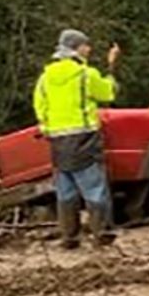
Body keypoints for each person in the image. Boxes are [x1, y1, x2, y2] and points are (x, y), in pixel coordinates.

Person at [33, 29, 121, 248]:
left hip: (58, 143)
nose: (89, 49)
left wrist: (48, 127)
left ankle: (69, 237)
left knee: (66, 191)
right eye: (85, 45)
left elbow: (39, 106)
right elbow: (108, 93)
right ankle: (102, 233)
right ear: (76, 48)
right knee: (95, 189)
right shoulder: (86, 74)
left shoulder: (45, 79)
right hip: (84, 139)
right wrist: (111, 67)